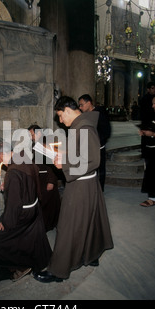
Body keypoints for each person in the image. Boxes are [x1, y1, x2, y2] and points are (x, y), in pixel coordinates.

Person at [33, 96, 114, 283]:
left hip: (81, 185)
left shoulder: (83, 127)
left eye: (61, 116)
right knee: (90, 221)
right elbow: (81, 154)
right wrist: (60, 155)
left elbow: (93, 160)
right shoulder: (81, 125)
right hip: (86, 183)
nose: (60, 121)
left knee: (67, 226)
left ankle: (58, 271)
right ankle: (92, 255)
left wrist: (64, 165)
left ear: (68, 110)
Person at [0, 142, 52, 282]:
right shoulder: (24, 158)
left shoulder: (13, 173)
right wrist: (10, 186)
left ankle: (19, 267)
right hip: (34, 208)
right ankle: (33, 263)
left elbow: (14, 204)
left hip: (22, 214)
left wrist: (6, 222)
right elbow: (30, 180)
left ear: (2, 154)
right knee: (27, 239)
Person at [28, 124, 61, 231]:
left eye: (32, 134)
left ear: (38, 133)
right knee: (44, 203)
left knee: (50, 204)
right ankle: (45, 225)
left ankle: (51, 224)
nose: (31, 137)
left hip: (47, 179)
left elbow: (52, 163)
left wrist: (51, 181)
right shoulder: (36, 144)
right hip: (40, 178)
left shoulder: (46, 144)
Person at [78, 94, 112, 191]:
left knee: (100, 170)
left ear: (89, 103)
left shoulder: (100, 113)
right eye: (79, 105)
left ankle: (100, 190)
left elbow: (106, 131)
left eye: (81, 105)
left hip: (98, 147)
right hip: (88, 148)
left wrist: (97, 142)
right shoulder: (84, 115)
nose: (80, 107)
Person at [139, 82, 155, 157]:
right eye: (152, 88)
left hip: (154, 122)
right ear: (148, 89)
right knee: (145, 138)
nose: (154, 90)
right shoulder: (145, 99)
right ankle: (144, 153)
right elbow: (143, 111)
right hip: (146, 121)